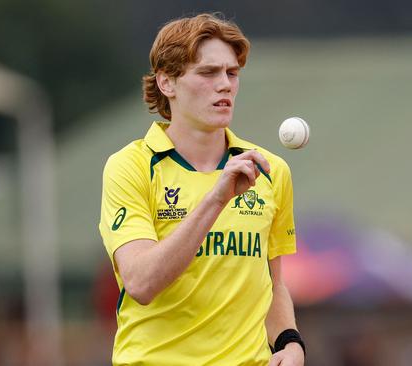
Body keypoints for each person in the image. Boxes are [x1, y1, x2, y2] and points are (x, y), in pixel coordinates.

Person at [99, 13, 305, 366]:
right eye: (208, 73)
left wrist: (290, 343)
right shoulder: (130, 166)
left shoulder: (270, 171)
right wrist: (217, 196)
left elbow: (273, 284)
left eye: (232, 73)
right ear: (167, 82)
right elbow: (142, 282)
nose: (224, 85)